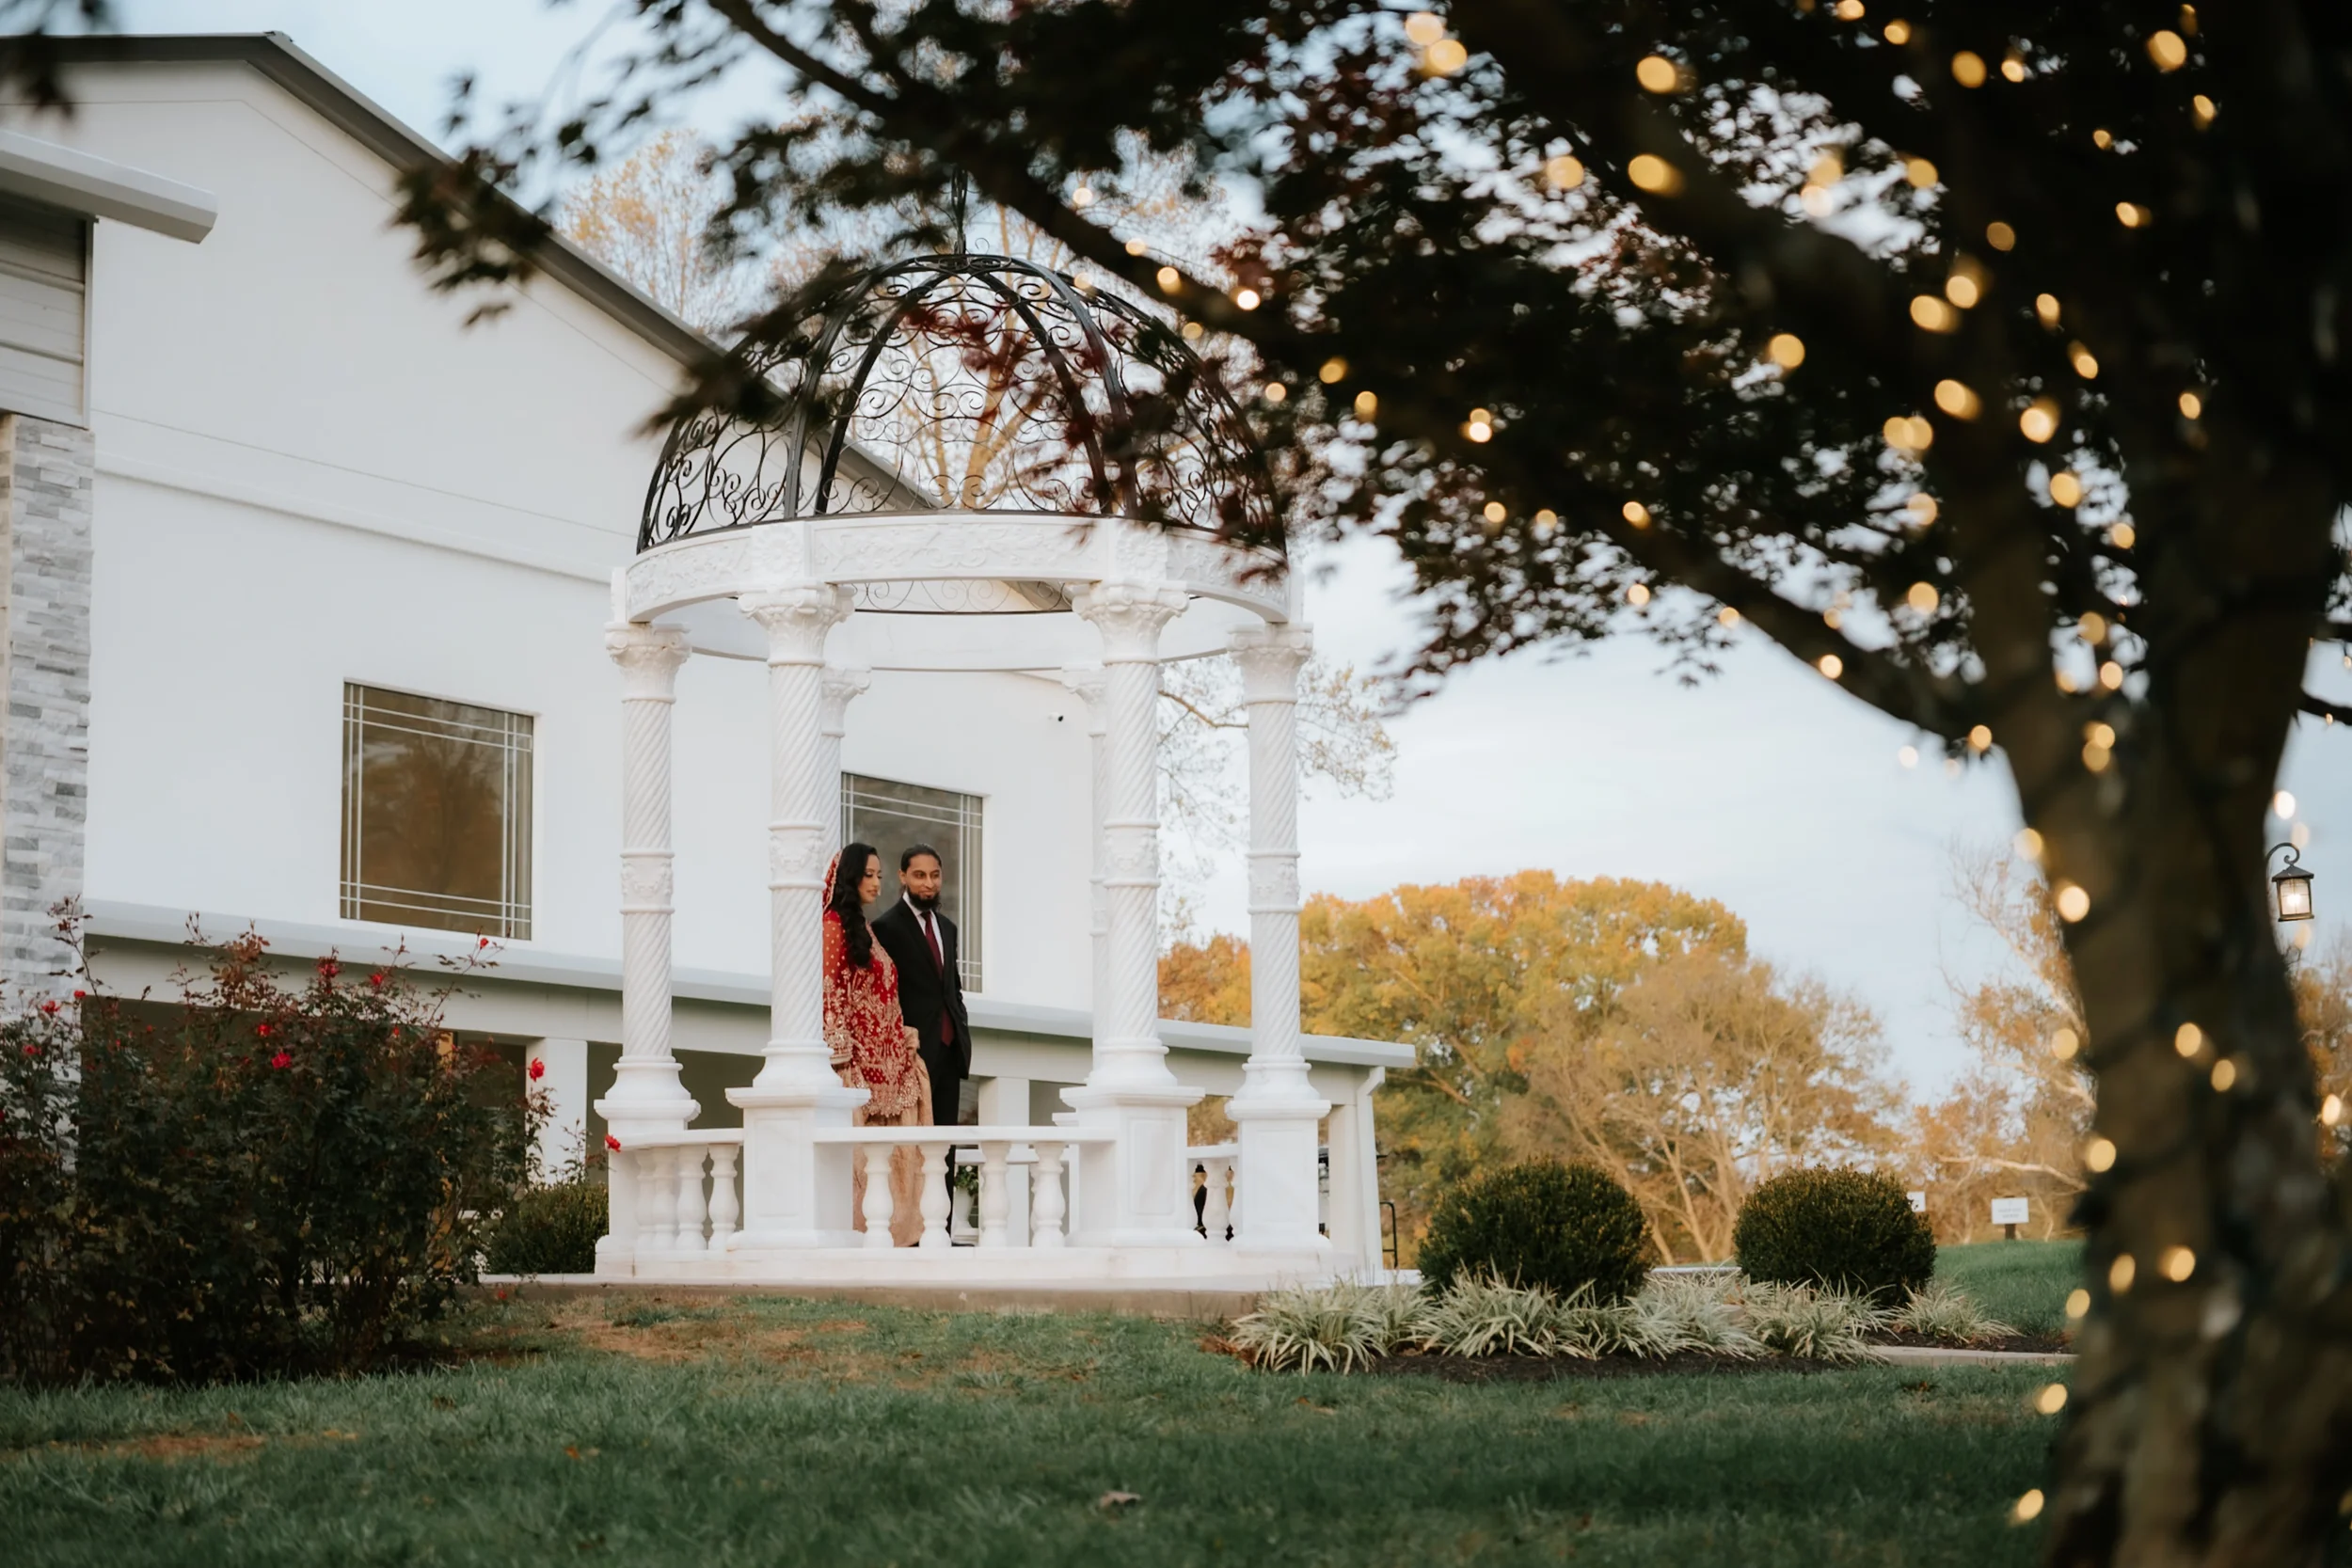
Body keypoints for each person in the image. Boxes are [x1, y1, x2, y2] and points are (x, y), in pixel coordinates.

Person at [822, 842, 930, 1246]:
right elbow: (830, 993)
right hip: (857, 1072)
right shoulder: (832, 927)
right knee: (862, 1167)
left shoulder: (862, 928)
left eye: (880, 875)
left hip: (890, 1069)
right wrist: (843, 1062)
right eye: (868, 875)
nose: (876, 883)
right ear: (849, 877)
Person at [871, 843, 972, 1131]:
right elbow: (885, 996)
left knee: (946, 1143)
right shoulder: (885, 928)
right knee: (916, 1141)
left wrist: (960, 1028)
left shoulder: (947, 928)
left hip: (950, 1050)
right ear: (903, 876)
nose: (929, 883)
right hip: (912, 1054)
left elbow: (953, 989)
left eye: (935, 875)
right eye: (919, 875)